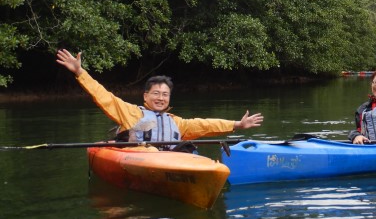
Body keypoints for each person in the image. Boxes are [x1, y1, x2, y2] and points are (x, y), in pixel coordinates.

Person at [56, 48, 263, 150]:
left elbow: (205, 124)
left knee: (189, 148)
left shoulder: (176, 122)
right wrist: (80, 72)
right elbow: (104, 97)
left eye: (165, 94)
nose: (160, 98)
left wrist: (237, 124)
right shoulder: (132, 113)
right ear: (145, 96)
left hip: (171, 160)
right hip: (141, 158)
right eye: (156, 93)